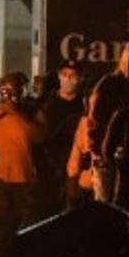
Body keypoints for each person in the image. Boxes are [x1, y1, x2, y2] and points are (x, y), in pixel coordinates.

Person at [0, 73, 43, 245]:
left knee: (24, 229)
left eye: (13, 89)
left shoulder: (31, 111)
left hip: (24, 180)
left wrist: (16, 114)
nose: (9, 94)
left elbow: (40, 136)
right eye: (5, 90)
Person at [86, 40, 129, 206]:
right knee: (107, 209)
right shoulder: (109, 85)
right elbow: (95, 124)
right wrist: (105, 150)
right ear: (126, 60)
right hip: (107, 160)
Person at [36, 60, 85, 217]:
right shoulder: (45, 105)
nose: (68, 79)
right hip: (49, 171)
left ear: (80, 78)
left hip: (77, 170)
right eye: (65, 75)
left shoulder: (86, 105)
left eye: (73, 76)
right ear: (59, 76)